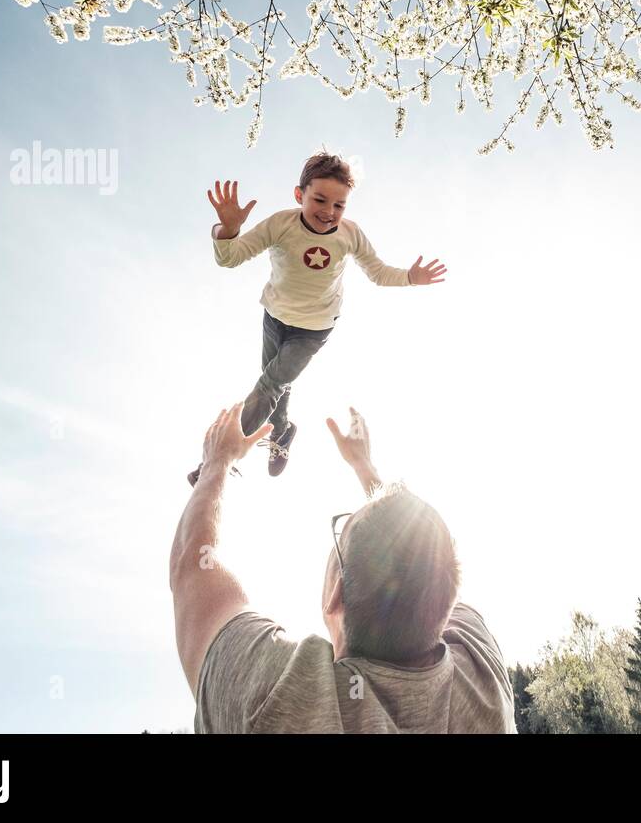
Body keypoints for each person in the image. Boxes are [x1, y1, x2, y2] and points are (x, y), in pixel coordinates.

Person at [169, 401, 517, 733]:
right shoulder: (482, 678)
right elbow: (423, 570)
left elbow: (192, 569)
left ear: (336, 596)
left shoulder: (280, 703)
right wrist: (365, 467)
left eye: (342, 533)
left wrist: (216, 461)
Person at [188, 151, 447, 484]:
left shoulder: (350, 235)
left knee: (271, 385)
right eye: (319, 200)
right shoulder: (280, 224)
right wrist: (227, 230)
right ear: (300, 195)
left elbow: (378, 272)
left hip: (313, 329)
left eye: (339, 206)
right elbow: (231, 258)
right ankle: (282, 431)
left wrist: (410, 277)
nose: (328, 212)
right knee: (274, 382)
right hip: (275, 317)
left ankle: (217, 461)